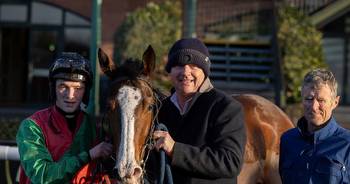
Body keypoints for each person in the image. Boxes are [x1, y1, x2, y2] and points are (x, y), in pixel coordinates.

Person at [146, 38, 246, 184]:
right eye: (179, 66)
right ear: (170, 71)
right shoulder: (158, 109)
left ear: (204, 72)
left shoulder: (226, 107)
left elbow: (230, 162)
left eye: (193, 66)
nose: (186, 72)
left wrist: (175, 150)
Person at [16, 53, 113, 184]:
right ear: (53, 89)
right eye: (63, 86)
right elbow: (42, 175)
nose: (70, 95)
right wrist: (89, 155)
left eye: (78, 88)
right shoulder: (32, 127)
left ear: (86, 92)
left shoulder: (93, 128)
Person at [279, 68, 350, 183]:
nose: (313, 106)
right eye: (309, 99)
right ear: (302, 99)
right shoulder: (287, 140)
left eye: (321, 100)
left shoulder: (347, 144)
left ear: (335, 102)